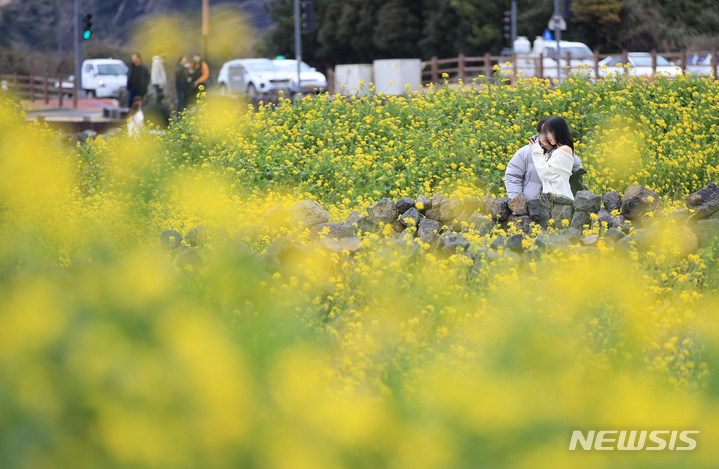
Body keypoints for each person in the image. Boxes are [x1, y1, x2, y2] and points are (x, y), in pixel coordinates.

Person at [504, 118, 583, 199]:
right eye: (542, 132)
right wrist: (517, 201)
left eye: (549, 132)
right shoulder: (525, 152)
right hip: (530, 204)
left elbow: (578, 172)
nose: (546, 136)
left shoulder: (563, 151)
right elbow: (512, 176)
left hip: (556, 202)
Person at [528, 116, 575, 200]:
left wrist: (537, 151)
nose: (547, 136)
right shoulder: (562, 150)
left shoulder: (564, 149)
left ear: (558, 131)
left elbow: (545, 173)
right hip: (558, 198)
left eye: (550, 132)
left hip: (560, 199)